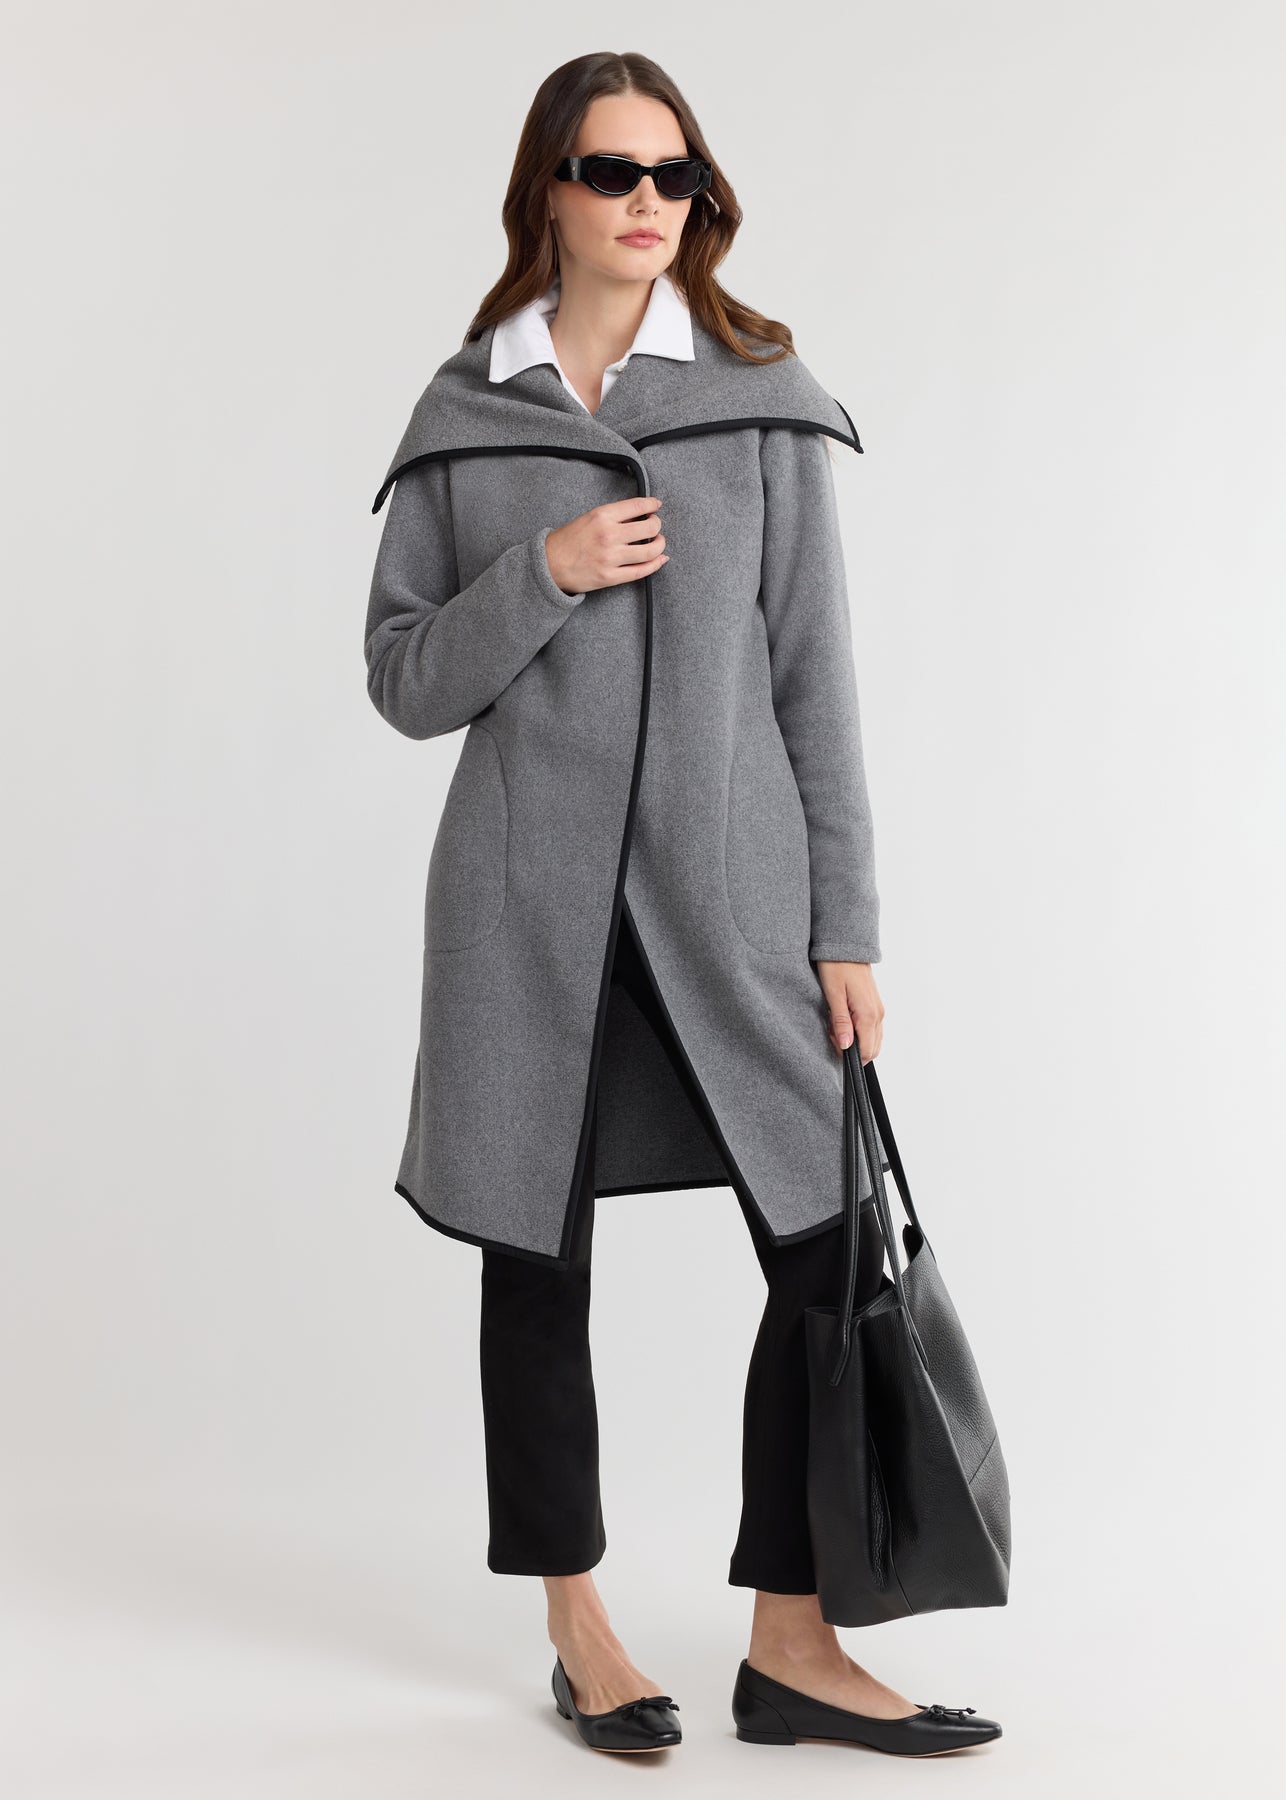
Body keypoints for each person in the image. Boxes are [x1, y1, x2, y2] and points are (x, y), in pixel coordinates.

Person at [364, 51, 1002, 1759]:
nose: (649, 202)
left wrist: (844, 926)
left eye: (677, 177)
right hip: (524, 916)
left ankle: (791, 1643)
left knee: (824, 1252)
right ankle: (577, 1630)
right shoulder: (468, 414)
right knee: (535, 1266)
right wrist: (543, 572)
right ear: (547, 192)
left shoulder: (755, 393)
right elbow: (404, 680)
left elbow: (814, 684)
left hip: (733, 909)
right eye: (613, 171)